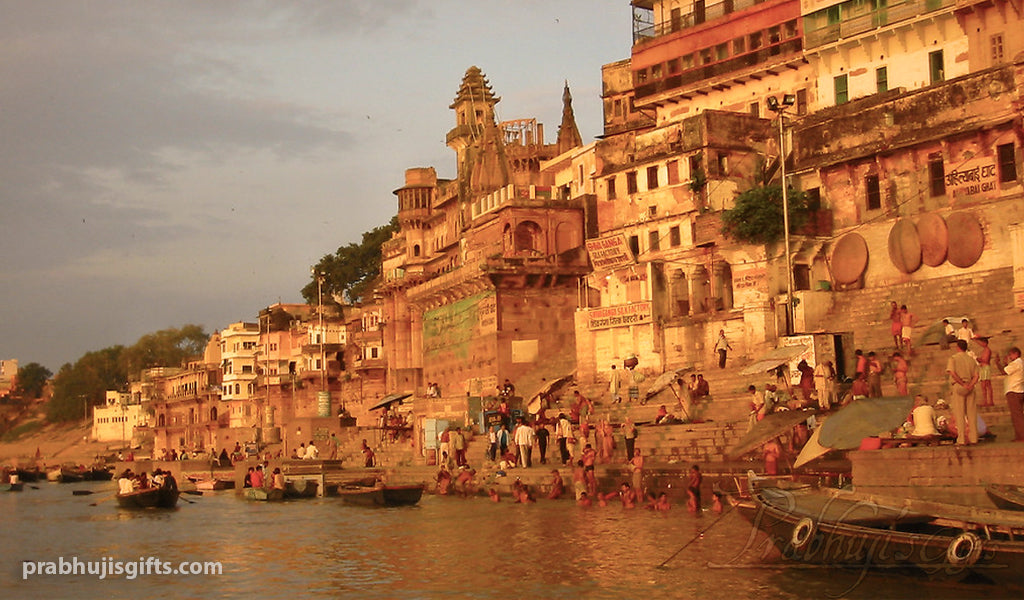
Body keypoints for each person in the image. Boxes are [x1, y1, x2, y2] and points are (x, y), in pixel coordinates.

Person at [946, 339, 980, 445]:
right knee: (972, 413)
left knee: (959, 414)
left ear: (958, 347)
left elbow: (952, 373)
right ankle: (974, 438)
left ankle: (961, 439)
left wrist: (962, 383)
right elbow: (976, 376)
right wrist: (970, 385)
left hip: (959, 386)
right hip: (970, 386)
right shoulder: (971, 360)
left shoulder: (953, 358)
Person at [1003, 347, 1024, 441]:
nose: (1009, 356)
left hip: (1014, 391)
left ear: (1016, 354)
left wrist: (997, 363)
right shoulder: (1019, 363)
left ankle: (1021, 436)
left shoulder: (1017, 363)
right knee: (1017, 415)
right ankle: (1019, 435)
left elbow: (1004, 371)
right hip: (1018, 390)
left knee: (1017, 416)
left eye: (1010, 354)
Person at [974, 337, 998, 407]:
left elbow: (986, 360)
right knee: (983, 386)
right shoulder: (984, 350)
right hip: (982, 368)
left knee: (987, 385)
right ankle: (985, 401)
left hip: (986, 368)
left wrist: (978, 359)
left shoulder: (987, 350)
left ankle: (990, 401)